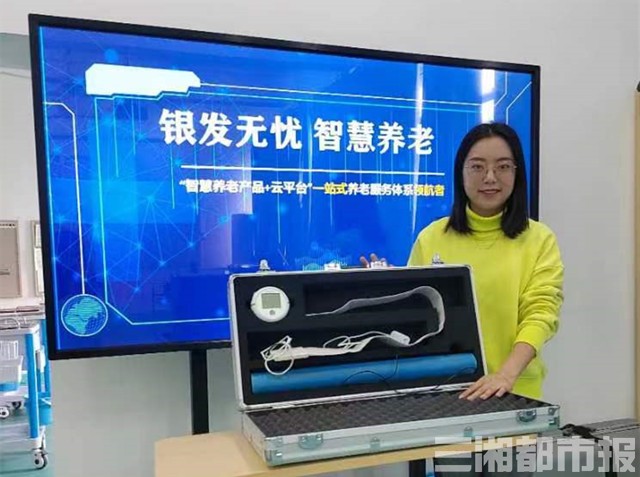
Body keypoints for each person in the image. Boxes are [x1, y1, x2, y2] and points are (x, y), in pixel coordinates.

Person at [361, 122, 564, 476]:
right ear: (461, 172)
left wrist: (505, 375)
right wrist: (382, 289)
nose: (490, 177)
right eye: (477, 166)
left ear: (517, 173)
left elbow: (541, 313)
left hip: (515, 397)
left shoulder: (539, 239)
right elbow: (416, 317)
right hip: (449, 397)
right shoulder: (432, 237)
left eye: (503, 166)